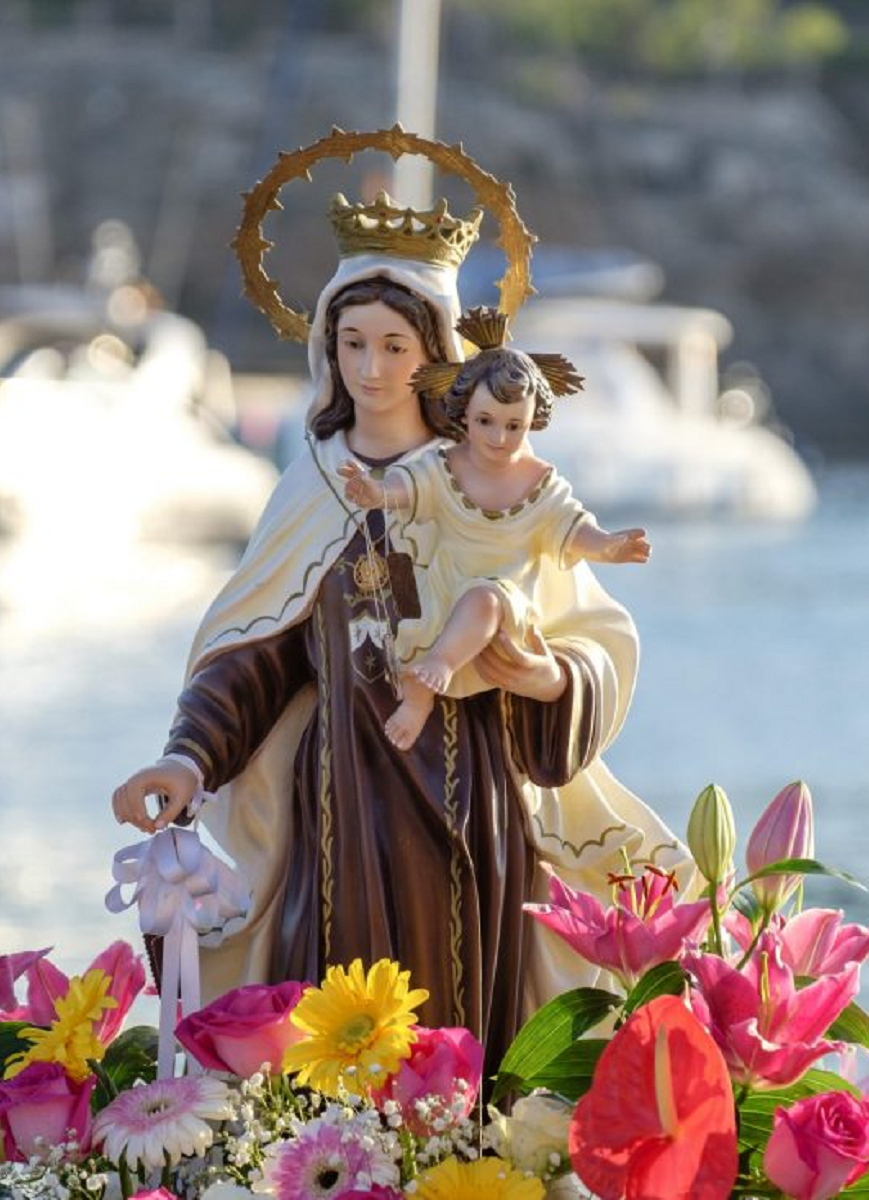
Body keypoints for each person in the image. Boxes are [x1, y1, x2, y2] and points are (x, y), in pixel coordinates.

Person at [111, 162, 686, 1061]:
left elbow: (587, 641)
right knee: (335, 1013)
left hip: (478, 796)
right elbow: (259, 653)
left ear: (436, 354)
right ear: (327, 350)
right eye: (351, 344)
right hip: (338, 802)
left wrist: (540, 675)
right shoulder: (313, 491)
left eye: (394, 346)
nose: (371, 368)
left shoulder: (489, 489)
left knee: (475, 1018)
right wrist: (188, 757)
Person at [338, 306, 651, 752]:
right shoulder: (444, 466)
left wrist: (610, 547)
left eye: (514, 426)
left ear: (532, 423)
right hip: (441, 592)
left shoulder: (538, 480)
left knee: (485, 598)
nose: (499, 438)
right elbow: (405, 487)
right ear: (464, 413)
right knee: (442, 616)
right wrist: (373, 492)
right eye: (486, 422)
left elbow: (571, 526)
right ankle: (418, 697)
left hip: (508, 605)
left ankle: (440, 666)